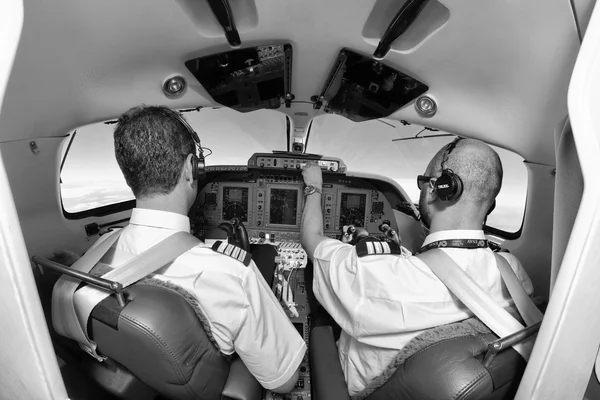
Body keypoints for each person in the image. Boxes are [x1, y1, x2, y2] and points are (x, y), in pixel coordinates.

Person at [60, 105, 305, 393]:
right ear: (191, 168)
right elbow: (285, 382)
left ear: (129, 177)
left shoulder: (97, 251)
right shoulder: (231, 274)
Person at [300, 137, 534, 397]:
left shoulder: (382, 277)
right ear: (489, 204)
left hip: (358, 388)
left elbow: (312, 239)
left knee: (319, 318)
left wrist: (314, 187)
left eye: (424, 182)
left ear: (438, 187)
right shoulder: (512, 270)